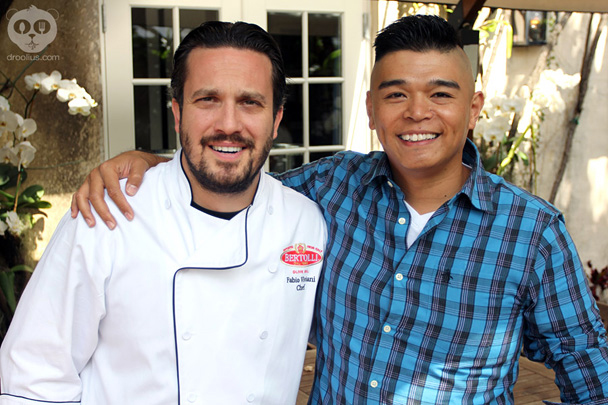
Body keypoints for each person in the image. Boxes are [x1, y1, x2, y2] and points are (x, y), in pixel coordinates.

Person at [72, 15, 608, 404]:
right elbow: (232, 173)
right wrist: (152, 162)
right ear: (372, 109)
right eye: (396, 95)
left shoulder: (531, 232)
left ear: (473, 109)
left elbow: (589, 371)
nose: (417, 112)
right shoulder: (331, 188)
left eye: (441, 95)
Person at [0, 21, 327, 404]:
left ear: (275, 120)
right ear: (177, 113)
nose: (228, 125)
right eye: (207, 100)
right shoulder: (108, 212)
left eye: (250, 102)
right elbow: (34, 374)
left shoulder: (307, 222)